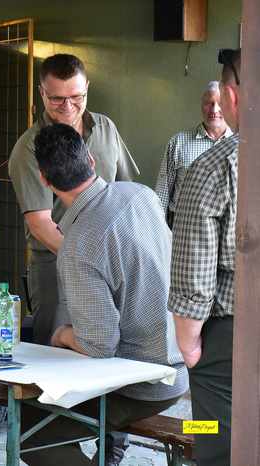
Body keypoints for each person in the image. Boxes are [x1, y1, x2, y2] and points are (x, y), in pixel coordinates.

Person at [21, 123, 188, 466]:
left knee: (32, 435)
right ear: (92, 161)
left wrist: (61, 334)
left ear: (44, 180)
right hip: (181, 366)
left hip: (141, 386)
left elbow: (99, 345)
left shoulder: (79, 245)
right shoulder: (142, 195)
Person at [8, 53, 139, 346]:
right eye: (57, 99)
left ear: (87, 88)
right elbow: (40, 224)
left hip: (113, 262)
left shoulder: (106, 128)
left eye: (76, 96)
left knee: (109, 347)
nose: (68, 106)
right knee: (56, 350)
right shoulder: (29, 148)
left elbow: (126, 192)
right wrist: (89, 259)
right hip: (57, 264)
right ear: (42, 93)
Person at [169, 48, 241, 466]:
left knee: (215, 438)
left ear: (231, 96)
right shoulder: (181, 144)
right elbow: (162, 192)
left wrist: (189, 343)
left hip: (227, 332)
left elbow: (195, 275)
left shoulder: (215, 166)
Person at [154, 81, 233, 227]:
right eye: (208, 103)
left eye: (220, 103)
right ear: (201, 106)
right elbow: (162, 194)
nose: (214, 109)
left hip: (226, 228)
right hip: (182, 226)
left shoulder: (240, 145)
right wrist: (159, 231)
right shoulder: (178, 142)